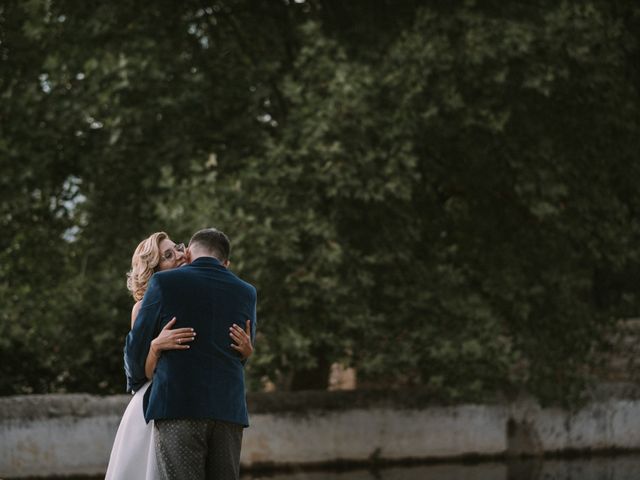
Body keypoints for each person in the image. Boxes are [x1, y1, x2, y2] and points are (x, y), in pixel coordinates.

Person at [106, 232, 253, 480]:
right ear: (155, 268)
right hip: (159, 397)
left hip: (189, 402)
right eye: (168, 255)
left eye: (178, 248)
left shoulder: (198, 289)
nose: (180, 255)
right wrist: (155, 346)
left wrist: (246, 352)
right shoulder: (145, 304)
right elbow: (139, 373)